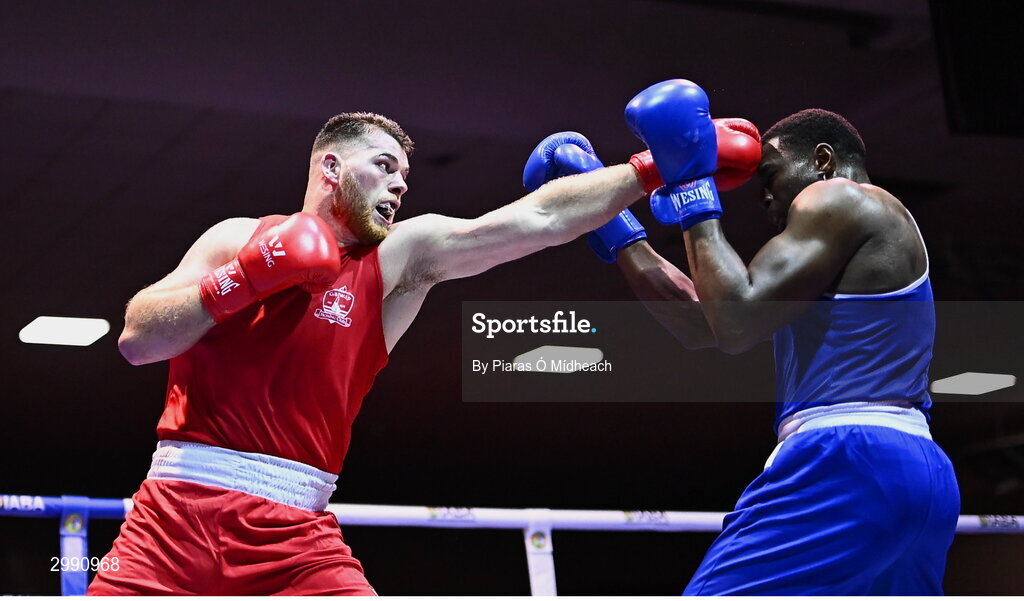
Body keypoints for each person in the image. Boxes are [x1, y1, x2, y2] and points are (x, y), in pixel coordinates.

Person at [89, 80, 760, 594]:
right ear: (330, 167)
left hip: (295, 534)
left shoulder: (399, 258)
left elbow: (537, 219)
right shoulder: (238, 238)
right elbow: (136, 339)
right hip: (170, 520)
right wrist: (242, 279)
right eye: (383, 167)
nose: (398, 185)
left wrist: (651, 166)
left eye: (403, 177)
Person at [537, 103, 960, 594]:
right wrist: (610, 220)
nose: (766, 197)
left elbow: (735, 322)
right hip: (920, 469)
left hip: (846, 459)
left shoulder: (841, 197)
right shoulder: (851, 247)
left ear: (823, 160)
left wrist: (694, 184)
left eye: (773, 175)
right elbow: (702, 322)